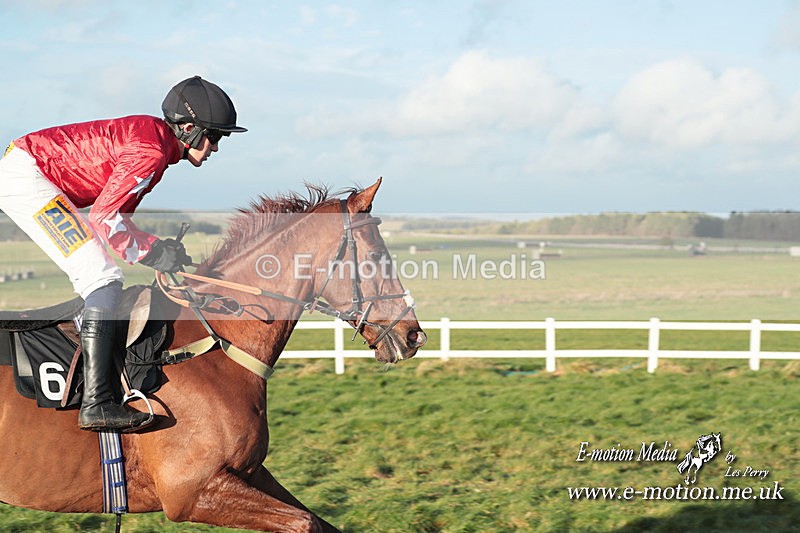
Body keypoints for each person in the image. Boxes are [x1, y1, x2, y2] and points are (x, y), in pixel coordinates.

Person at [0, 76, 247, 432]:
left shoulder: (156, 145)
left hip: (31, 172)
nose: (216, 148)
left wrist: (157, 247)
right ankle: (96, 403)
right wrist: (153, 253)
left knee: (103, 275)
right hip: (28, 178)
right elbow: (104, 218)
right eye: (215, 136)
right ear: (189, 128)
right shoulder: (151, 152)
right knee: (101, 277)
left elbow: (119, 218)